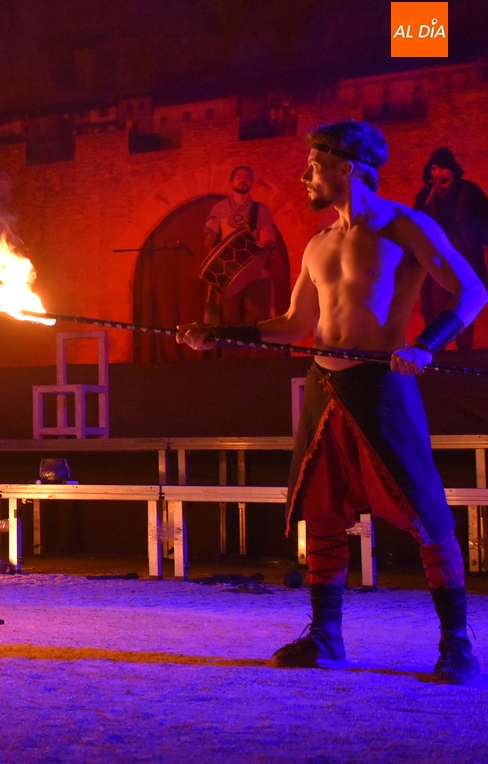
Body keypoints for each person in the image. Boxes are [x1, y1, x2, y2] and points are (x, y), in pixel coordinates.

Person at [177, 121, 487, 684]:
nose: (304, 176)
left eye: (313, 166)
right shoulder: (318, 242)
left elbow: (474, 289)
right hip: (325, 383)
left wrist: (426, 345)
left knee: (426, 514)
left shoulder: (404, 226)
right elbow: (295, 324)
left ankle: (457, 644)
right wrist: (219, 333)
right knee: (320, 511)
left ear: (346, 167)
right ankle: (326, 637)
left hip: (383, 383)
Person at [413, 147, 488, 350]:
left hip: (464, 254)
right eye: (433, 169)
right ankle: (436, 351)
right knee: (437, 305)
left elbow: (484, 219)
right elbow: (415, 223)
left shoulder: (470, 192)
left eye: (439, 169)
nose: (435, 174)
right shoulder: (425, 195)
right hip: (437, 256)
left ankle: (465, 351)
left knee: (466, 299)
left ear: (450, 170)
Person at [201, 165, 287, 327]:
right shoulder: (219, 209)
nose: (243, 179)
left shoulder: (261, 209)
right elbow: (209, 240)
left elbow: (269, 240)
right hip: (227, 276)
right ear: (232, 181)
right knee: (227, 323)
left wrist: (266, 251)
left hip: (256, 275)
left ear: (252, 183)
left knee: (256, 324)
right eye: (239, 176)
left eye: (247, 177)